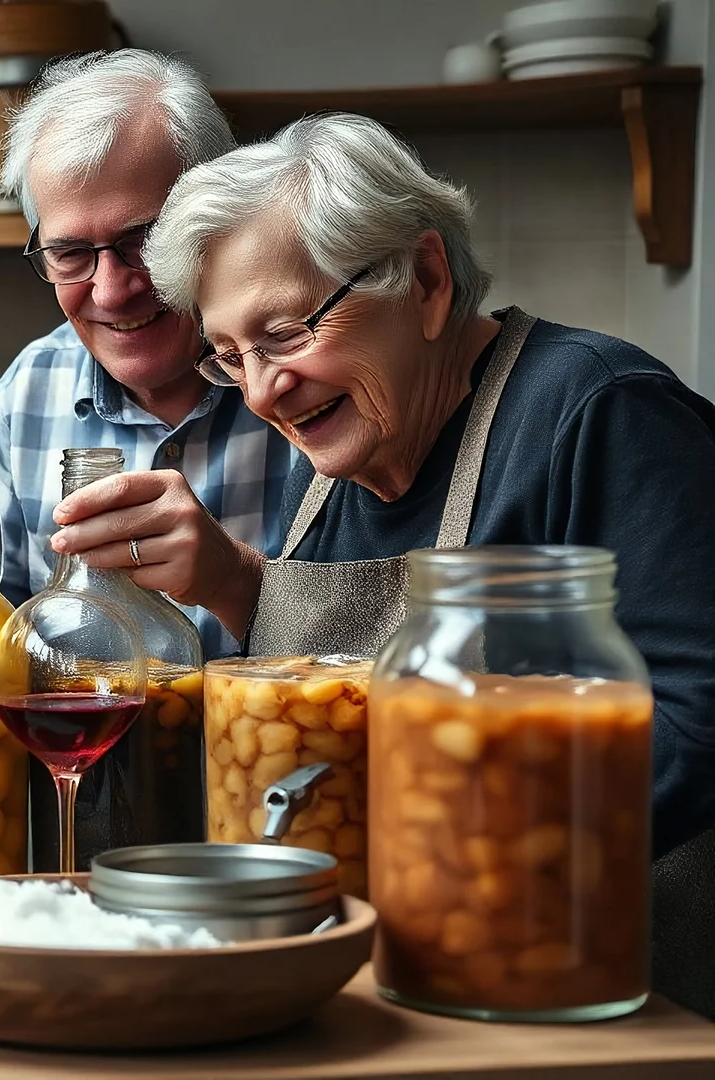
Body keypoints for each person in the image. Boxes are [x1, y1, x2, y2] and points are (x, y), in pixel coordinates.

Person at [138, 110, 715, 1014]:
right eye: (229, 358)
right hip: (406, 982)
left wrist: (455, 839)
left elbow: (698, 726)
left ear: (430, 278)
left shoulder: (600, 414)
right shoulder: (338, 454)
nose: (261, 391)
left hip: (612, 994)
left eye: (286, 333)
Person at [0, 49, 295, 659]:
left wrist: (235, 579)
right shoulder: (29, 388)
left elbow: (370, 647)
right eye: (70, 252)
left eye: (145, 240)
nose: (111, 290)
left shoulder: (306, 373)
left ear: (217, 222)